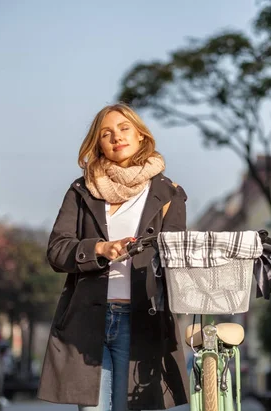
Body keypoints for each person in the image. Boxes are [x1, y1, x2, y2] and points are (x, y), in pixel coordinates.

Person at [37, 103, 190, 411]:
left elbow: (176, 259)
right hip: (88, 323)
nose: (116, 137)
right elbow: (57, 249)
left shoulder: (169, 193)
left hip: (142, 322)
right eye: (106, 133)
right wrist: (99, 248)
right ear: (98, 144)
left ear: (140, 135)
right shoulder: (82, 190)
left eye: (124, 129)